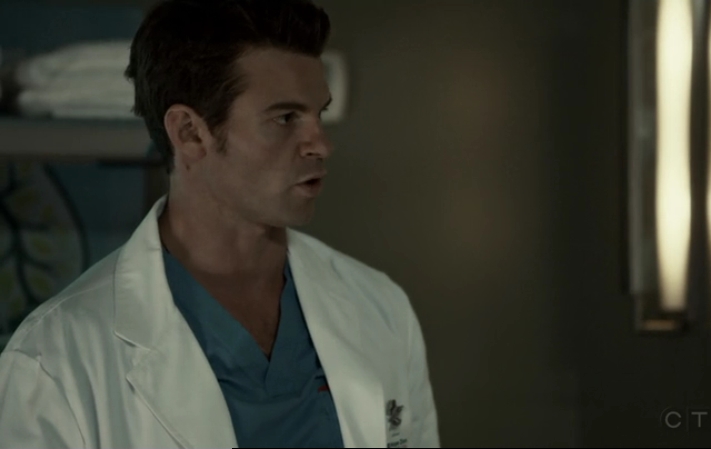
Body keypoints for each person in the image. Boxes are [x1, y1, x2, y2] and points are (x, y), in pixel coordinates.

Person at [0, 1, 439, 447]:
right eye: (285, 118)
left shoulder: (381, 308)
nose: (321, 145)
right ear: (189, 133)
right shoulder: (52, 363)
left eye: (318, 115)